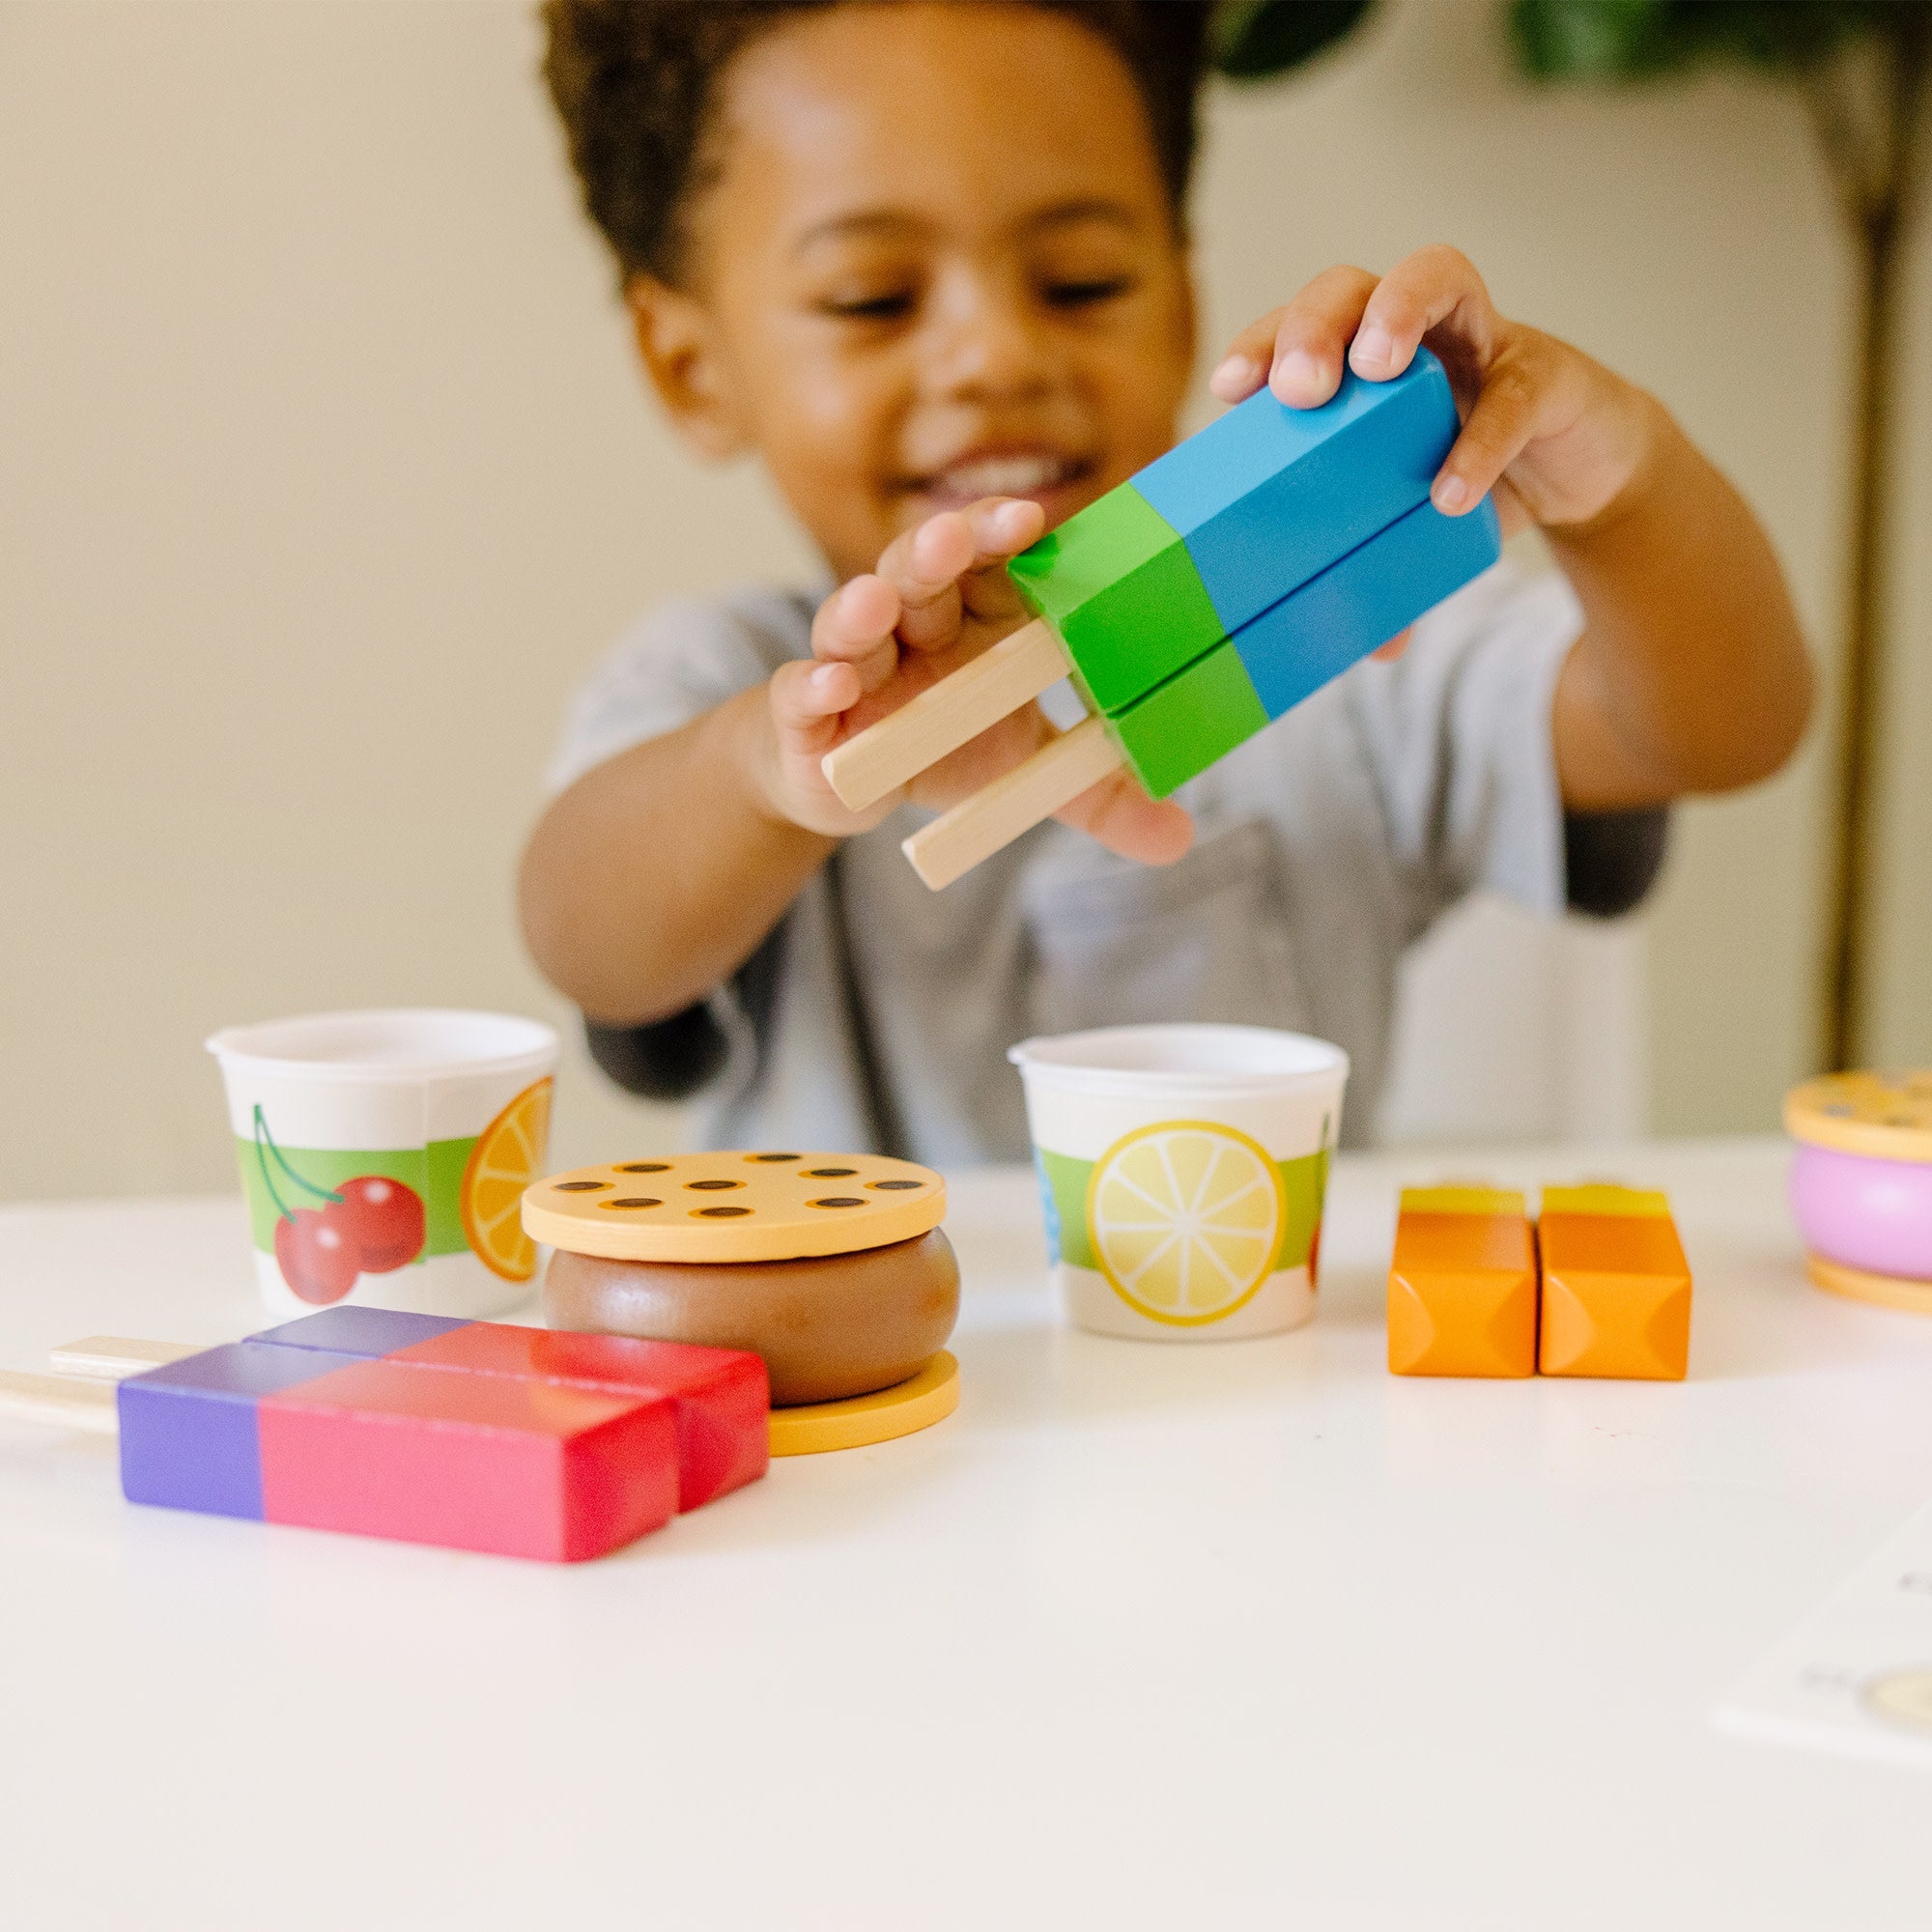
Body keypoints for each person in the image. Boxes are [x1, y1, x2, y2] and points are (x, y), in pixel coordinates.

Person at [522, 0, 1810, 1163]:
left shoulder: (1349, 629)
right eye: (872, 298)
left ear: (1185, 298)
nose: (994, 357)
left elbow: (1725, 728)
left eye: (1082, 280)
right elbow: (586, 936)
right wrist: (770, 772)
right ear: (692, 365)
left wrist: (1628, 483)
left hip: (1278, 1398)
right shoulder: (720, 682)